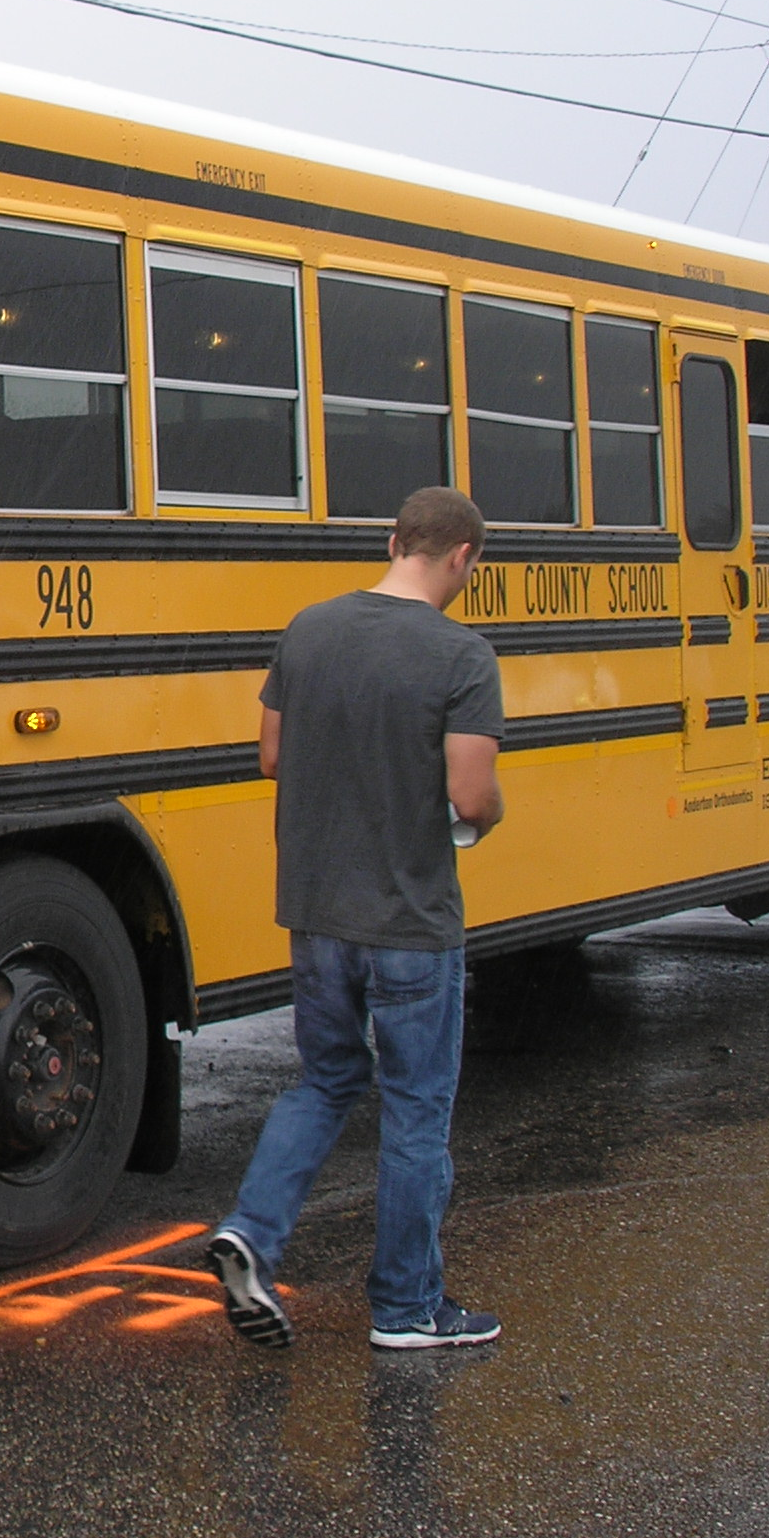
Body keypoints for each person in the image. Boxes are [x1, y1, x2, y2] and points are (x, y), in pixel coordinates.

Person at [207, 485, 507, 1351]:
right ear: (462, 559)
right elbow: (469, 792)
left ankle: (252, 1234)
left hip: (316, 914)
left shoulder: (309, 629)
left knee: (326, 1082)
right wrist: (486, 817)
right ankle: (407, 1309)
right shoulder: (462, 655)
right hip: (410, 921)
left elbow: (271, 754)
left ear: (392, 540)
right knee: (416, 1110)